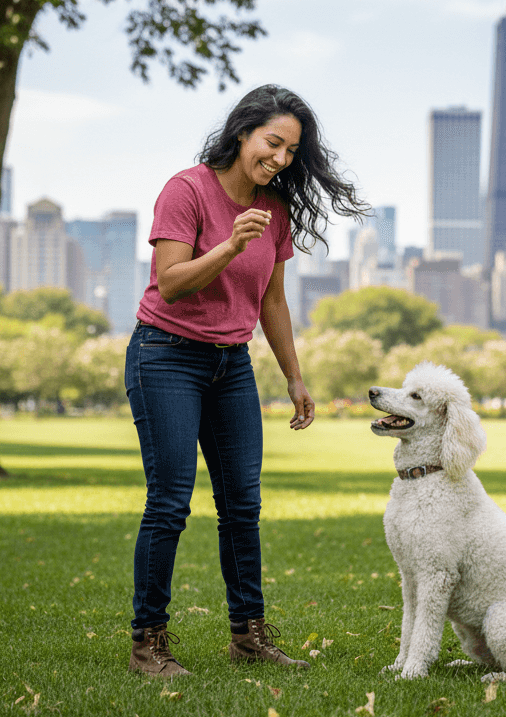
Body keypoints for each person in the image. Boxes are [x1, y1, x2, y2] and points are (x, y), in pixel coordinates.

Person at [125, 84, 366, 677]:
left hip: (231, 364)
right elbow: (171, 282)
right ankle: (148, 645)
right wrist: (230, 244)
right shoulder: (187, 190)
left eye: (291, 151)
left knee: (242, 506)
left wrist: (295, 377)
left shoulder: (274, 209)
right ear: (243, 132)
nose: (281, 159)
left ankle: (248, 636)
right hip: (165, 355)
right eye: (273, 143)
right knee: (169, 503)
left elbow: (274, 303)